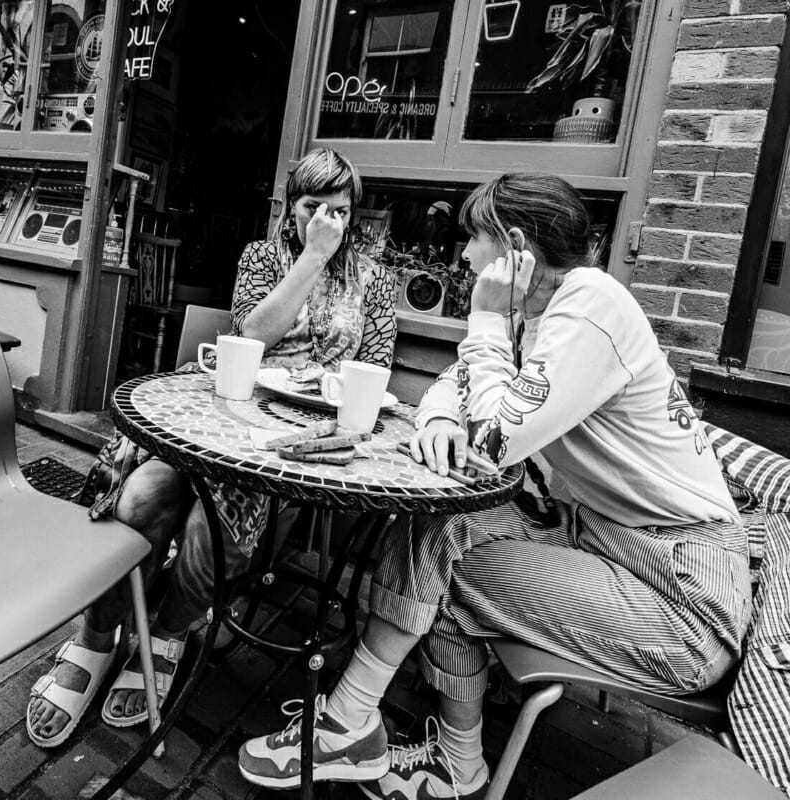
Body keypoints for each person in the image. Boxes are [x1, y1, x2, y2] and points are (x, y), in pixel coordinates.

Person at [237, 173, 751, 799]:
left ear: (513, 248)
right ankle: (395, 739)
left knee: (448, 566)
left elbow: (494, 441)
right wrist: (440, 419)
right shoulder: (537, 316)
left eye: (473, 240)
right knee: (441, 523)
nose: (463, 257)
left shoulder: (592, 306)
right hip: (599, 539)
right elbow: (454, 384)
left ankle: (368, 731)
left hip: (679, 594)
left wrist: (482, 321)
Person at [27, 148, 397, 748]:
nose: (327, 221)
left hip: (291, 445)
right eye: (313, 207)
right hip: (221, 417)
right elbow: (252, 336)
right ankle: (97, 637)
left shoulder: (375, 281)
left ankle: (167, 633)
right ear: (291, 207)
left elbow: (374, 371)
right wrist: (312, 259)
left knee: (210, 533)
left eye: (340, 211)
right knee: (140, 498)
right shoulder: (262, 258)